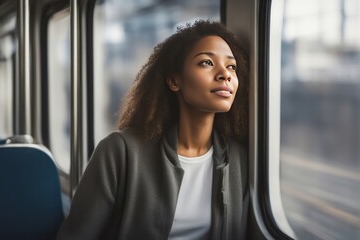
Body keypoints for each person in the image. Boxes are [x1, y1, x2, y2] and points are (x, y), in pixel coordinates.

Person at [56, 20, 249, 240]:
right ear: (174, 81)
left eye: (231, 66)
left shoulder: (237, 159)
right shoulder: (120, 151)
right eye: (206, 62)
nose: (225, 74)